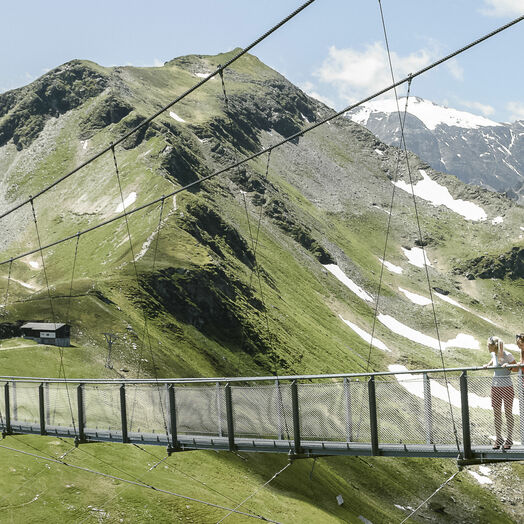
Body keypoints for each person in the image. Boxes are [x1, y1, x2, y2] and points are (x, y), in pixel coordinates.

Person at [483, 336, 517, 450]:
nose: (487, 347)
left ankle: (509, 439)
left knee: (508, 413)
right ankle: (499, 438)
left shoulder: (507, 355)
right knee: (496, 413)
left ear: (494, 346)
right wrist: (488, 364)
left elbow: (517, 368)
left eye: (488, 345)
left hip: (507, 386)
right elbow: (494, 360)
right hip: (495, 386)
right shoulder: (493, 354)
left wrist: (509, 366)